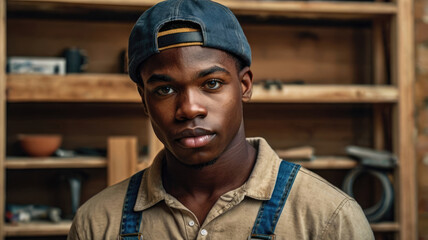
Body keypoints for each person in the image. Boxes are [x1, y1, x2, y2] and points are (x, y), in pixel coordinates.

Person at [67, 0, 374, 239]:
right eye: (165, 89)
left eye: (211, 83)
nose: (189, 108)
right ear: (144, 101)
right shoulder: (98, 223)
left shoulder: (327, 218)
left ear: (245, 86)